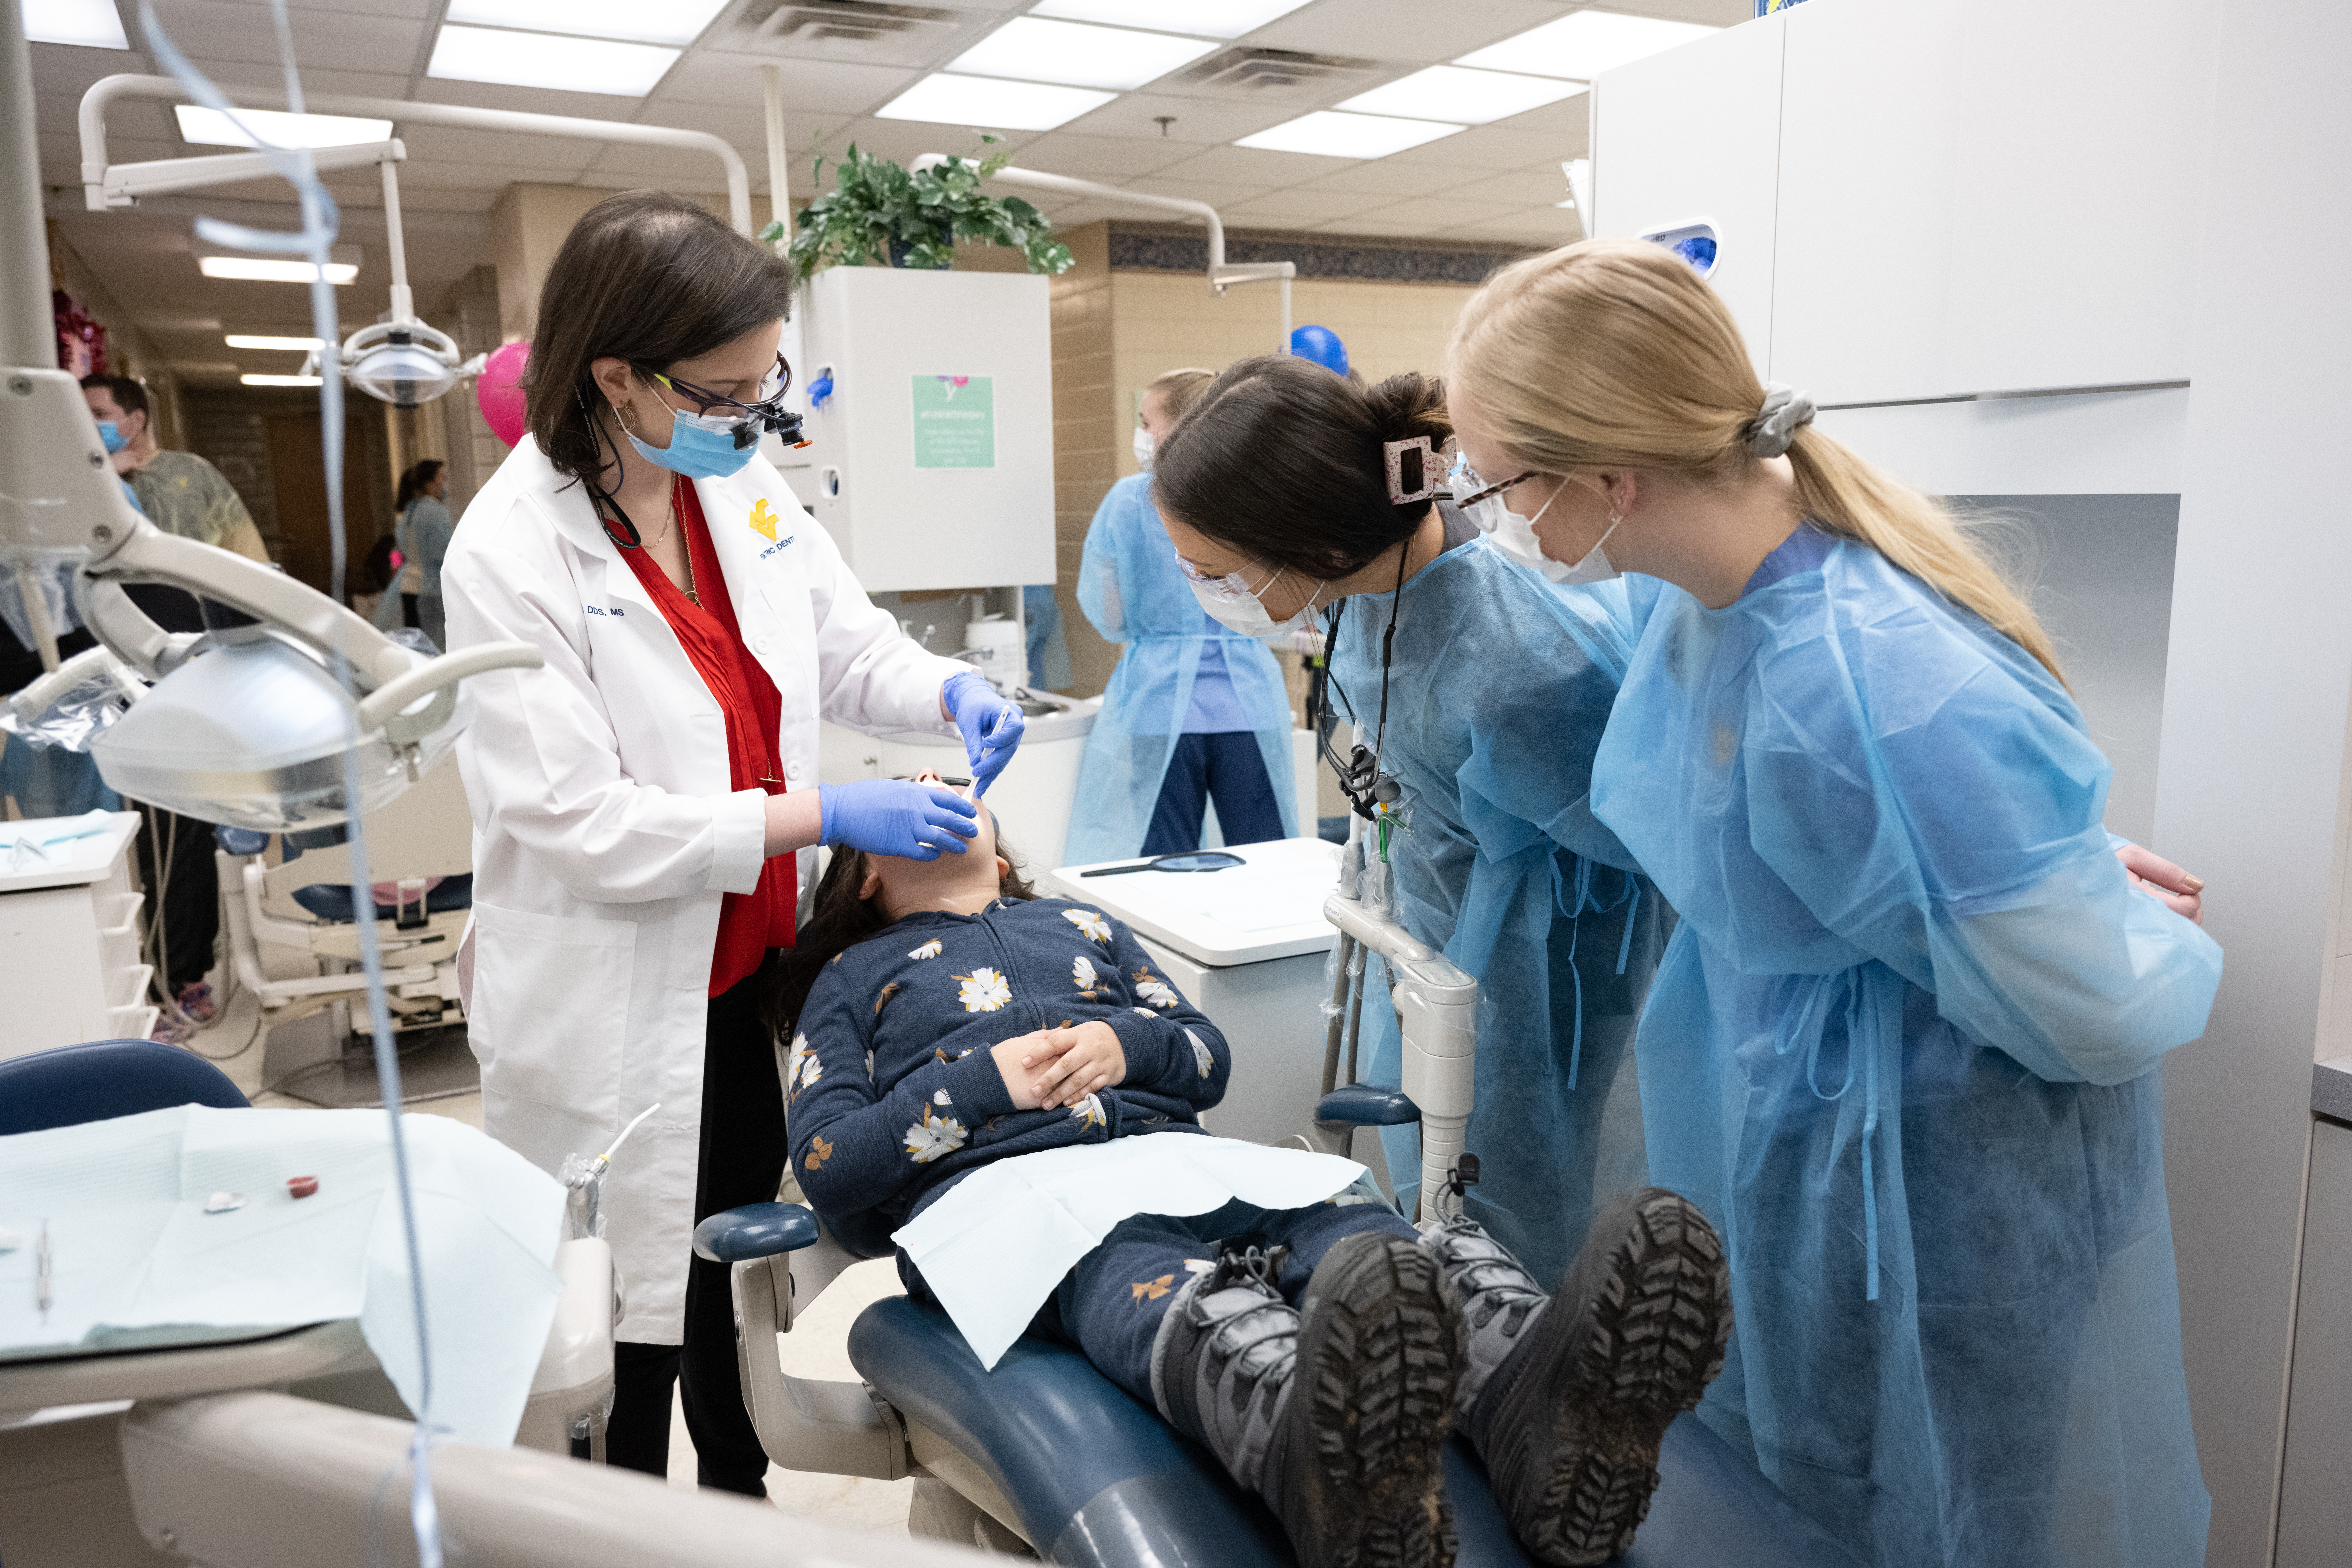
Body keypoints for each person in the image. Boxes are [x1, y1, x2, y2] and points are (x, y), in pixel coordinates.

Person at [1443, 237, 2222, 1568]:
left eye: (1498, 481)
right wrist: (2011, 871)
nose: (1489, 515)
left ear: (1609, 480)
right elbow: (1815, 828)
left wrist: (2075, 903)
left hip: (1935, 1198)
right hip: (1812, 1159)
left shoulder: (1860, 674)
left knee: (1939, 1524)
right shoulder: (1710, 606)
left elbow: (2102, 1009)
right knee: (1798, 1503)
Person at [440, 189, 1027, 1496]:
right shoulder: (509, 552)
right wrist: (827, 815)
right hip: (608, 998)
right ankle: (618, 1520)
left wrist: (946, 688)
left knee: (724, 1269)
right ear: (616, 376)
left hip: (740, 975)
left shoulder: (737, 483)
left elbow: (845, 646)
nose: (750, 416)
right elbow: (582, 825)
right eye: (723, 392)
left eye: (765, 385)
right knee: (619, 1317)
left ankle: (735, 1501)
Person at [774, 773, 1732, 1568]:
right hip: (1018, 1201)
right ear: (865, 871)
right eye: (910, 793)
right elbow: (830, 1164)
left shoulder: (1079, 924)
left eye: (954, 785)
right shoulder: (849, 983)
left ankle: (1541, 1407)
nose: (937, 788)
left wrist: (1126, 1043)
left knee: (1362, 1242)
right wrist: (981, 1083)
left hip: (1177, 1157)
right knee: (1146, 1274)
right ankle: (1307, 1449)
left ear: (998, 847)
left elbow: (1205, 1057)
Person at [1148, 356, 1659, 1285]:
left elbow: (1632, 852)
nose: (1200, 587)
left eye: (1213, 571)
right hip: (1448, 932)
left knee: (1520, 1219)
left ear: (1312, 545)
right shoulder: (1368, 588)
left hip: (1553, 975)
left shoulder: (1519, 659)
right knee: (1449, 1190)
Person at [1066, 368, 1296, 865]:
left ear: (1180, 426)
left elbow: (1108, 612)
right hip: (1247, 704)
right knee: (1268, 859)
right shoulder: (1251, 497)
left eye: (1146, 422)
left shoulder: (1128, 501)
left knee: (1168, 866)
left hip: (1157, 700)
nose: (1141, 434)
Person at [78, 375, 270, 562]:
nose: (88, 423)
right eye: (81, 415)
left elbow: (244, 545)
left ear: (137, 420)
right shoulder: (78, 478)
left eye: (100, 414)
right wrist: (103, 474)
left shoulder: (191, 471)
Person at [383, 459, 454, 648]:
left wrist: (395, 568)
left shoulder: (410, 509)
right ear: (430, 483)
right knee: (435, 645)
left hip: (407, 585)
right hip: (430, 588)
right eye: (442, 478)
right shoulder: (436, 511)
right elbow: (442, 552)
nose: (445, 483)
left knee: (414, 646)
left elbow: (397, 551)